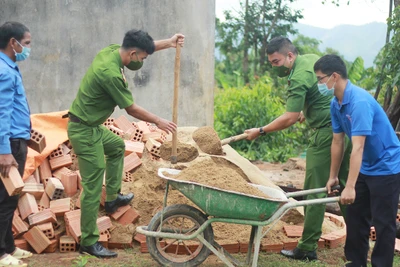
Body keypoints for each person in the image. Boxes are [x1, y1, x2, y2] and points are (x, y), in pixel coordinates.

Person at [67, 29, 184, 258]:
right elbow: (131, 109)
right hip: (84, 130)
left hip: (92, 126)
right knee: (91, 186)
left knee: (117, 147)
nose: (142, 61)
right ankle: (89, 242)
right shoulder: (109, 73)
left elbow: (143, 47)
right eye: (142, 58)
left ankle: (112, 199)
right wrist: (159, 121)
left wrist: (169, 43)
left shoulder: (112, 50)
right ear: (132, 53)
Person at [244, 37, 351, 261]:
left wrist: (260, 130)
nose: (275, 67)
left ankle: (307, 247)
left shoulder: (298, 76)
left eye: (276, 62)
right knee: (349, 188)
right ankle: (357, 238)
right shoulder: (311, 61)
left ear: (290, 56)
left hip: (326, 135)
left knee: (314, 190)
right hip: (345, 129)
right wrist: (307, 110)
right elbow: (318, 93)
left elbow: (289, 118)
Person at [314, 54, 400, 267]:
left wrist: (350, 186)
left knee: (383, 223)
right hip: (366, 165)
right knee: (355, 218)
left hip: (386, 165)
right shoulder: (336, 103)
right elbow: (338, 142)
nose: (319, 84)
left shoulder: (359, 102)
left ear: (334, 76)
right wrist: (333, 177)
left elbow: (358, 146)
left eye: (320, 78)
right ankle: (356, 262)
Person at [0, 21, 34, 267]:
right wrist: (3, 151)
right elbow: (1, 112)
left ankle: (9, 246)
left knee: (11, 197)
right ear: (14, 43)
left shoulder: (8, 67)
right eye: (27, 43)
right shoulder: (3, 70)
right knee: (4, 198)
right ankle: (1, 253)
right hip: (9, 144)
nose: (28, 49)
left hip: (16, 140)